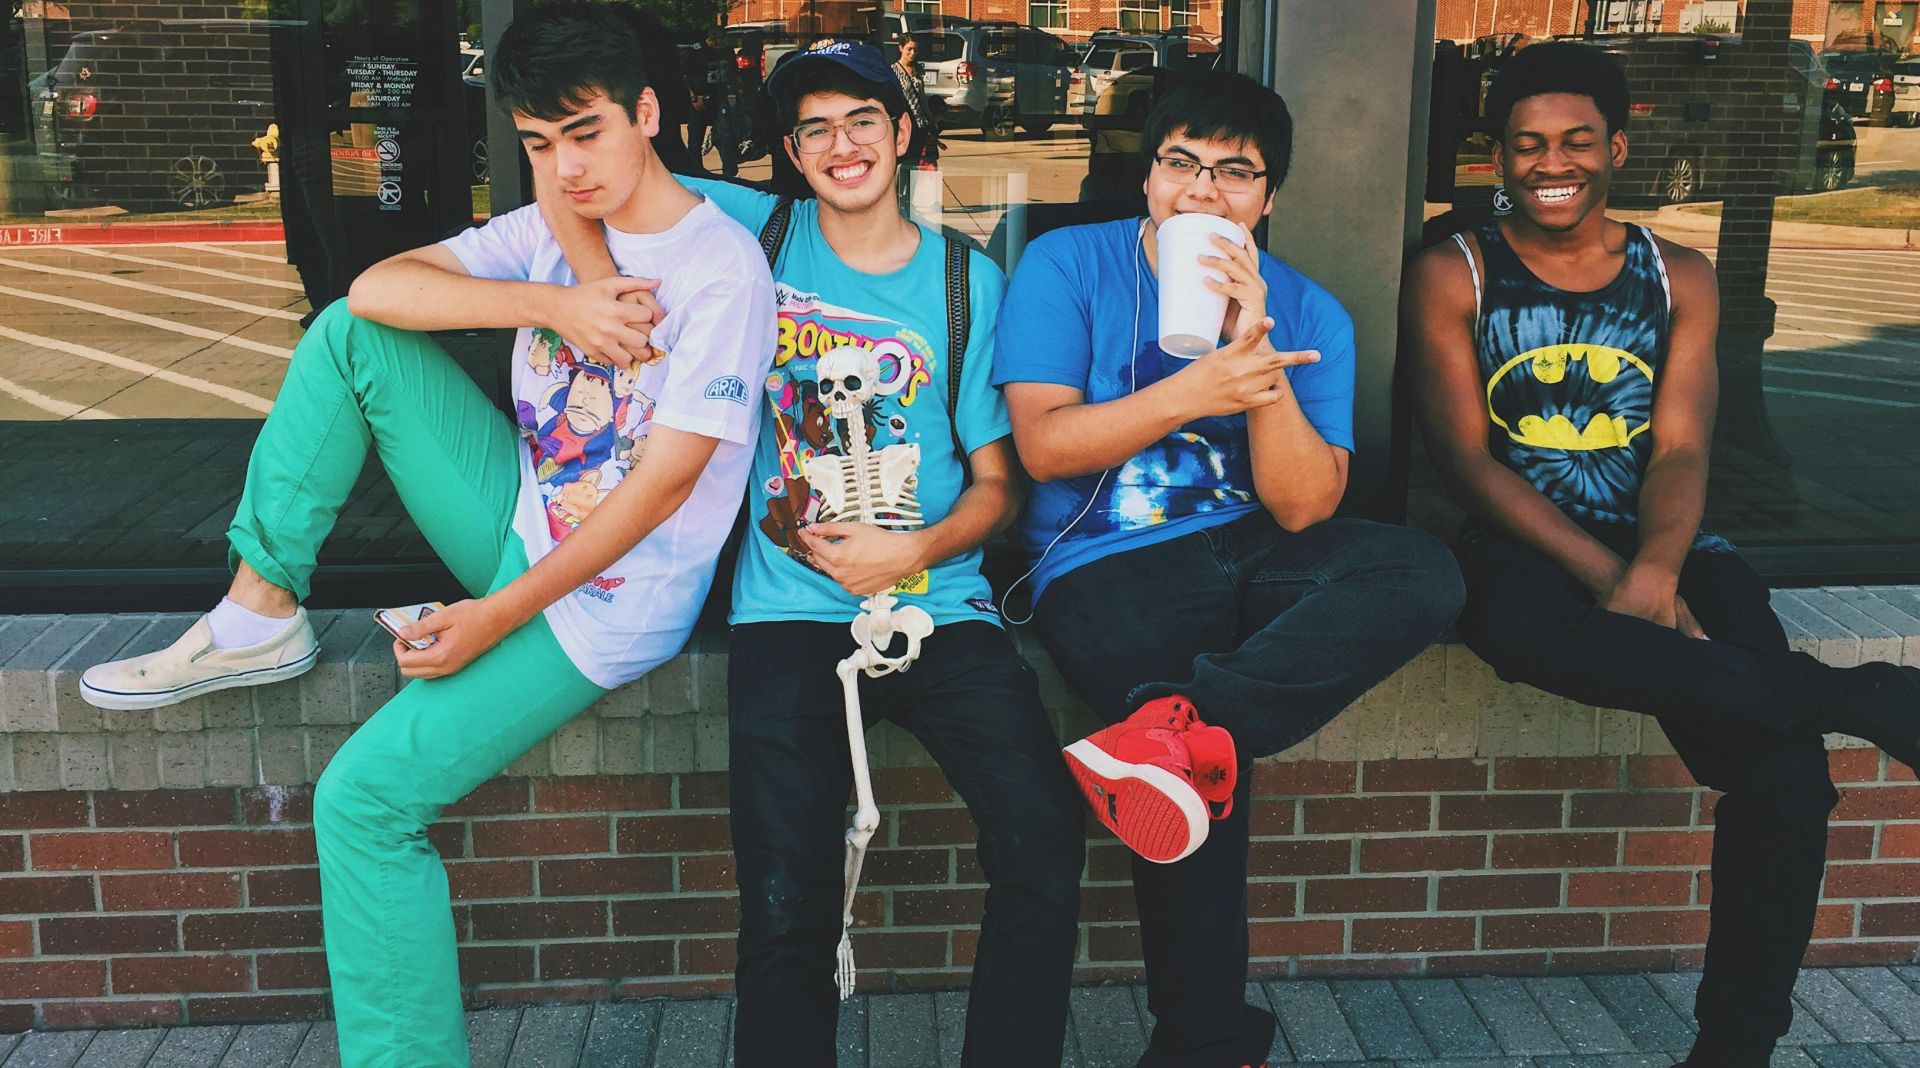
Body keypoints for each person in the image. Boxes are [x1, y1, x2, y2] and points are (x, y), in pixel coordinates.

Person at [78, 4, 776, 1065]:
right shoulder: (553, 233)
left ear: (646, 113)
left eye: (585, 133)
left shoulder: (719, 270)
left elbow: (669, 486)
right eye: (540, 144)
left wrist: (494, 615)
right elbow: (374, 289)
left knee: (362, 803)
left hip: (605, 601)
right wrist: (557, 302)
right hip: (516, 514)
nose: (567, 167)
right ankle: (259, 610)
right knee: (349, 334)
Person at [542, 39, 1084, 1068]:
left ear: (903, 134)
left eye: (863, 121)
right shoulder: (753, 232)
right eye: (816, 129)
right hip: (786, 613)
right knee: (785, 894)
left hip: (938, 603)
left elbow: (1000, 485)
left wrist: (913, 548)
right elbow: (584, 178)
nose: (843, 145)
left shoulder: (968, 281)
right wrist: (588, 292)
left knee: (1041, 837)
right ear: (791, 152)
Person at [1402, 41, 1920, 1068]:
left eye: (1578, 140)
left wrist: (1658, 565)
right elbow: (1466, 459)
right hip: (1521, 541)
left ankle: (1736, 1049)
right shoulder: (1453, 268)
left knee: (1786, 783)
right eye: (1529, 144)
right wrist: (1612, 579)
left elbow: (1682, 444)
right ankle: (1862, 695)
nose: (1555, 162)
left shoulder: (1677, 275)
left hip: (1673, 539)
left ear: (1618, 147)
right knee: (1511, 626)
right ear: (1500, 158)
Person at [993, 70, 1466, 1067]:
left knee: (1421, 574)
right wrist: (1191, 388)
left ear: (1269, 198)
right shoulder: (1066, 266)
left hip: (1253, 542)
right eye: (1181, 165)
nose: (1204, 193)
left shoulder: (1310, 313)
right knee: (1198, 739)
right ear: (1151, 177)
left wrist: (1255, 376)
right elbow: (1044, 448)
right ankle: (1207, 1041)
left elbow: (1304, 507)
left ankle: (1177, 738)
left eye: (1235, 174)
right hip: (1099, 559)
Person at [891, 34, 939, 168]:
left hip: (921, 125)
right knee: (904, 166)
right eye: (909, 49)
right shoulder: (894, 71)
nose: (912, 53)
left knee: (921, 167)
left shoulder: (918, 70)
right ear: (901, 48)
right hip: (905, 125)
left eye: (915, 50)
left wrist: (931, 121)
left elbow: (923, 99)